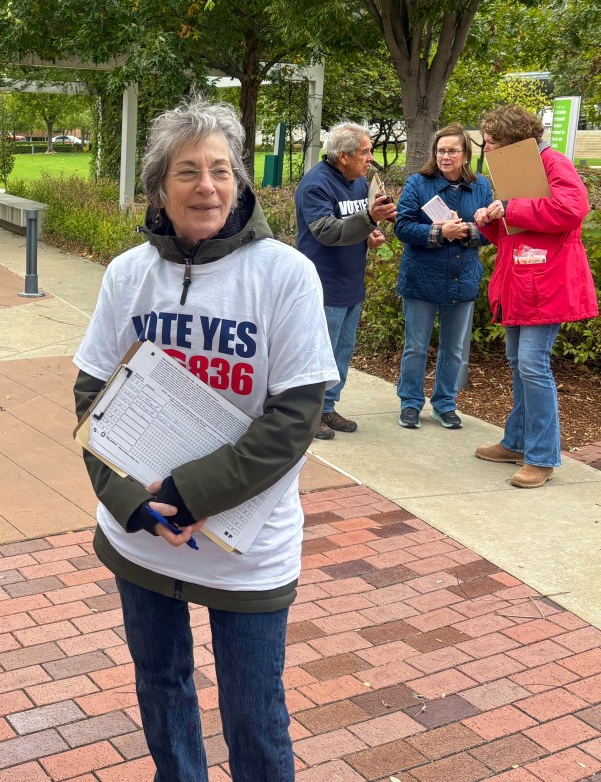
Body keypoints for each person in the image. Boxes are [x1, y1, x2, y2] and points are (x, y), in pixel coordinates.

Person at [74, 97, 339, 781]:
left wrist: (191, 494)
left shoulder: (284, 274)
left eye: (222, 170)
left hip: (245, 547)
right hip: (140, 532)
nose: (208, 186)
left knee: (255, 717)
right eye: (188, 171)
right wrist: (128, 498)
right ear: (160, 186)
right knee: (161, 691)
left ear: (240, 180)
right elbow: (92, 397)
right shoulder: (128, 273)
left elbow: (295, 417)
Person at [473, 104, 597, 488]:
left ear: (511, 141)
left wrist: (510, 207)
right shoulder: (520, 166)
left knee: (531, 364)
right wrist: (494, 219)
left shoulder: (553, 161)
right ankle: (517, 442)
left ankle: (542, 457)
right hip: (524, 281)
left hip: (547, 283)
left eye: (491, 142)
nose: (486, 150)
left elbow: (573, 209)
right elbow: (519, 229)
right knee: (519, 363)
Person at [294, 122, 397, 439]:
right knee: (318, 354)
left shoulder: (359, 181)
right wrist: (369, 220)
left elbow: (358, 224)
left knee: (341, 352)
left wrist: (373, 232)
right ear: (343, 155)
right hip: (323, 284)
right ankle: (307, 416)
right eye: (365, 152)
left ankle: (327, 407)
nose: (370, 159)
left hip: (351, 282)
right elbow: (326, 231)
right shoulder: (316, 186)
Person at [392, 123, 494, 430]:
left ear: (465, 154)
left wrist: (468, 232)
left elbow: (491, 230)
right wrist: (439, 231)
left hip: (462, 277)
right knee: (416, 345)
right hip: (422, 276)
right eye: (440, 151)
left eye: (452, 151)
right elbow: (403, 227)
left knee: (454, 347)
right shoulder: (417, 183)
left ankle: (445, 404)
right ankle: (410, 403)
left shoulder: (481, 186)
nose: (445, 156)